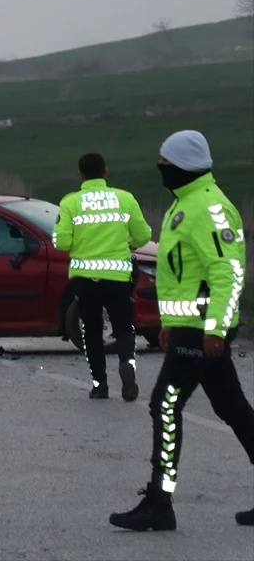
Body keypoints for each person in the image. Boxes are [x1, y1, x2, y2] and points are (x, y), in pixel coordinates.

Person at [109, 129, 254, 531]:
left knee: (165, 406)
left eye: (166, 164)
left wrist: (217, 330)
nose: (161, 169)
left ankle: (160, 503)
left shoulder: (209, 209)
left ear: (184, 166)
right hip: (189, 329)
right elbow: (182, 274)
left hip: (203, 332)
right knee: (233, 409)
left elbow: (227, 274)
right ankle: (160, 502)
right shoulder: (184, 205)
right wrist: (170, 324)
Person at [52, 152, 152, 402]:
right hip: (118, 277)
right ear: (105, 173)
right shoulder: (125, 198)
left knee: (92, 332)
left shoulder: (70, 203)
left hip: (86, 280)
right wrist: (127, 241)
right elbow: (142, 237)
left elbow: (61, 242)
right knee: (124, 328)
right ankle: (127, 363)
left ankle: (100, 385)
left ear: (80, 175)